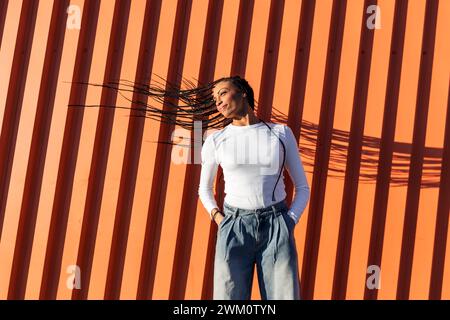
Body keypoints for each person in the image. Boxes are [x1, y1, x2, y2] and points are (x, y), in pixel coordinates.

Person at [198, 76, 310, 300]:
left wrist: (289, 221)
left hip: (276, 225)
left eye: (223, 93)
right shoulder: (216, 140)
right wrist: (221, 219)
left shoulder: (280, 134)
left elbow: (302, 187)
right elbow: (204, 189)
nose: (218, 102)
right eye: (214, 99)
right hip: (234, 227)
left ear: (243, 93)